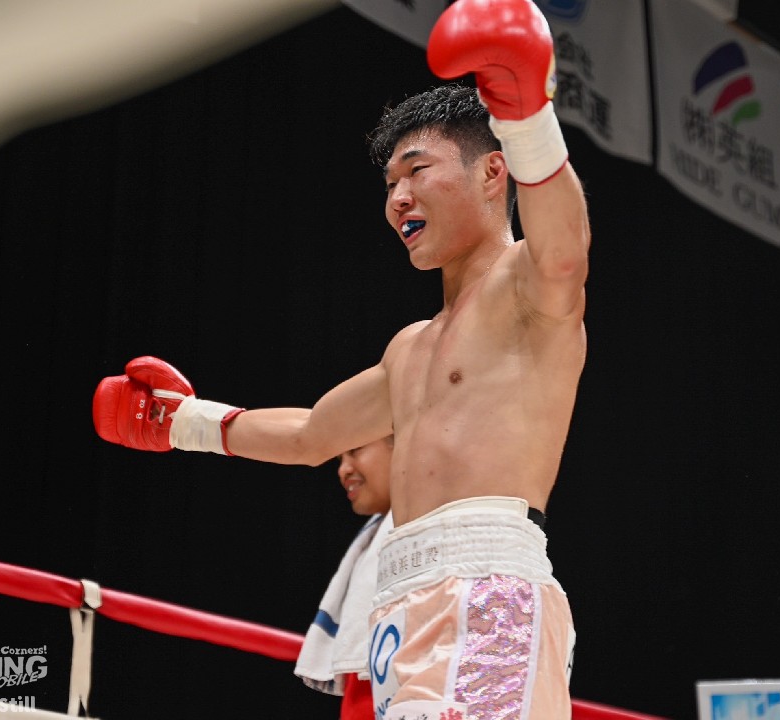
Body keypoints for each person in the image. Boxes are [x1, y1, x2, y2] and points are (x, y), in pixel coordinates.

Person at [92, 0, 589, 717]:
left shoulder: (527, 288)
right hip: (399, 605)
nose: (398, 198)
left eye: (416, 171)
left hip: (486, 587)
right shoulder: (410, 348)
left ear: (492, 173)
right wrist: (182, 423)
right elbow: (309, 436)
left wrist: (526, 118)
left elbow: (565, 251)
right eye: (389, 184)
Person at [294, 437, 394, 720]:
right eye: (339, 459)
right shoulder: (373, 538)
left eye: (355, 450)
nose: (343, 470)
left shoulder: (438, 521)